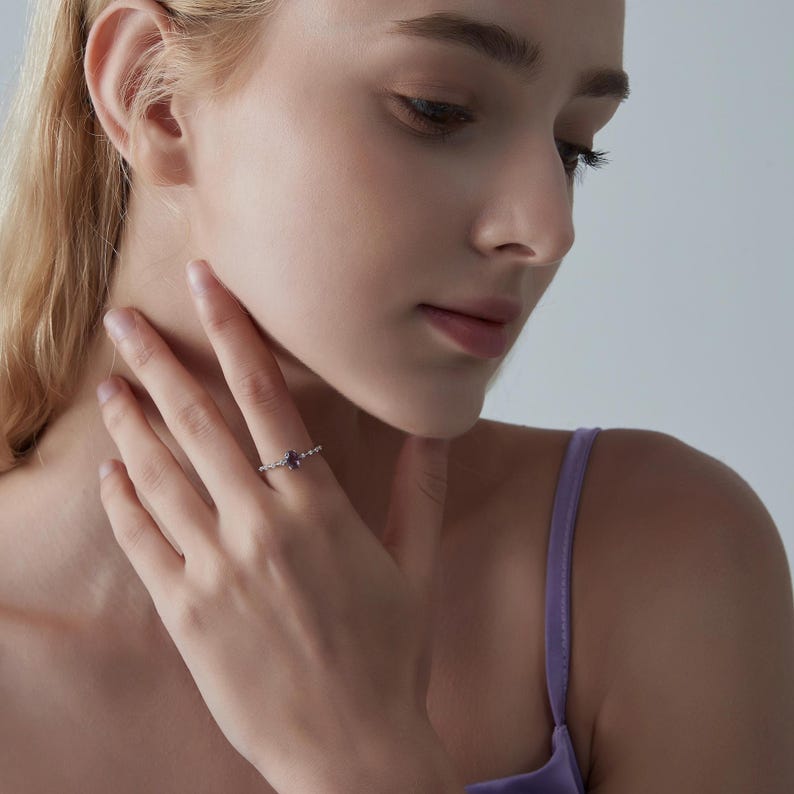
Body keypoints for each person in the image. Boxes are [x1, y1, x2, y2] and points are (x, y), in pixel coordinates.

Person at [0, 1, 791, 792]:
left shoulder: (656, 564)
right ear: (154, 96)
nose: (548, 228)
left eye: (574, 148)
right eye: (438, 111)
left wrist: (366, 760)